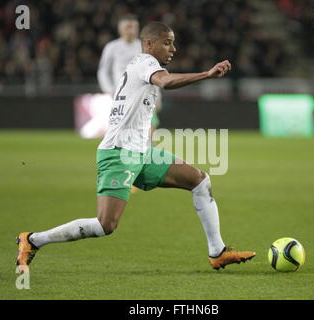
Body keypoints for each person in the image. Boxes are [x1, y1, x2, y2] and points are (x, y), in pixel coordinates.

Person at [16, 22, 256, 273]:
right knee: (106, 225)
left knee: (199, 181)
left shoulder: (142, 67)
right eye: (167, 42)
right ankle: (33, 240)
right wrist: (206, 75)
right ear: (149, 44)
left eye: (173, 42)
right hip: (119, 153)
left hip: (141, 153)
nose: (173, 48)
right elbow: (165, 82)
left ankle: (217, 251)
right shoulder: (145, 63)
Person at [97, 14, 162, 135]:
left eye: (134, 27)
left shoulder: (145, 47)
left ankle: (145, 151)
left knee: (150, 128)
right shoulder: (112, 47)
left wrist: (158, 96)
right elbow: (103, 71)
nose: (132, 30)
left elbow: (154, 73)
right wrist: (109, 90)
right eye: (128, 27)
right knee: (124, 131)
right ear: (120, 29)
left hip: (144, 94)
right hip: (122, 96)